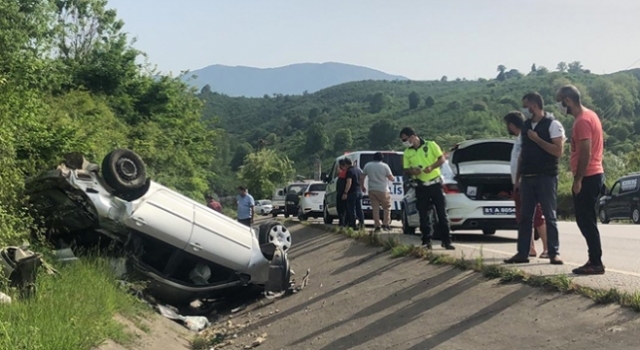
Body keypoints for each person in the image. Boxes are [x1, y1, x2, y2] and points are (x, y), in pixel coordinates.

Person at [504, 92, 564, 265]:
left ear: (534, 105)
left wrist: (538, 140)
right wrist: (517, 179)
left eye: (526, 105)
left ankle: (554, 252)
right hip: (527, 178)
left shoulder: (552, 124)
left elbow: (558, 151)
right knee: (525, 217)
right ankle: (522, 252)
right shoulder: (526, 127)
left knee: (549, 216)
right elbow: (522, 153)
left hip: (546, 177)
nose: (525, 109)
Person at [557, 85, 605, 275]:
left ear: (568, 101)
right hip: (593, 174)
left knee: (585, 221)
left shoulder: (582, 121)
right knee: (586, 220)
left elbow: (586, 150)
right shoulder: (589, 115)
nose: (561, 106)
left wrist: (578, 179)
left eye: (561, 102)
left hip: (589, 176)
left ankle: (596, 261)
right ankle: (594, 259)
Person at [399, 127, 454, 250]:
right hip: (420, 186)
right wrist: (413, 171)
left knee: (441, 213)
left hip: (435, 184)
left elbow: (442, 159)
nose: (405, 143)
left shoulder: (431, 145)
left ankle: (447, 241)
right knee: (423, 215)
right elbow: (406, 169)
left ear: (413, 136)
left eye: (405, 139)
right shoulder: (408, 152)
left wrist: (432, 167)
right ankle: (426, 240)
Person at [504, 111, 549, 258]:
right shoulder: (519, 139)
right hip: (520, 183)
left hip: (528, 182)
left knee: (537, 216)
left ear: (511, 125)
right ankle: (530, 248)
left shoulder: (527, 137)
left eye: (507, 125)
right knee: (523, 217)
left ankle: (548, 248)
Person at [360, 152, 395, 232]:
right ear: (382, 158)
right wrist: (393, 178)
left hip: (372, 189)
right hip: (383, 190)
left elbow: (362, 177)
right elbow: (390, 178)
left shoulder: (368, 165)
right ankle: (386, 224)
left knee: (375, 208)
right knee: (387, 208)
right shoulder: (385, 166)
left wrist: (362, 186)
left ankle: (377, 225)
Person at [342, 158, 364, 230]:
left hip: (352, 192)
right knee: (359, 209)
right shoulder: (358, 170)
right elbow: (361, 180)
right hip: (359, 191)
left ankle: (353, 224)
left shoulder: (349, 171)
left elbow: (349, 182)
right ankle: (361, 223)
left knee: (352, 209)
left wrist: (345, 192)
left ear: (345, 164)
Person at [336, 159, 348, 227]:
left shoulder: (343, 173)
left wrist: (344, 193)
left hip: (342, 193)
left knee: (341, 208)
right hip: (343, 193)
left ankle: (342, 222)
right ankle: (343, 222)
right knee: (344, 208)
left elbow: (338, 173)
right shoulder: (347, 172)